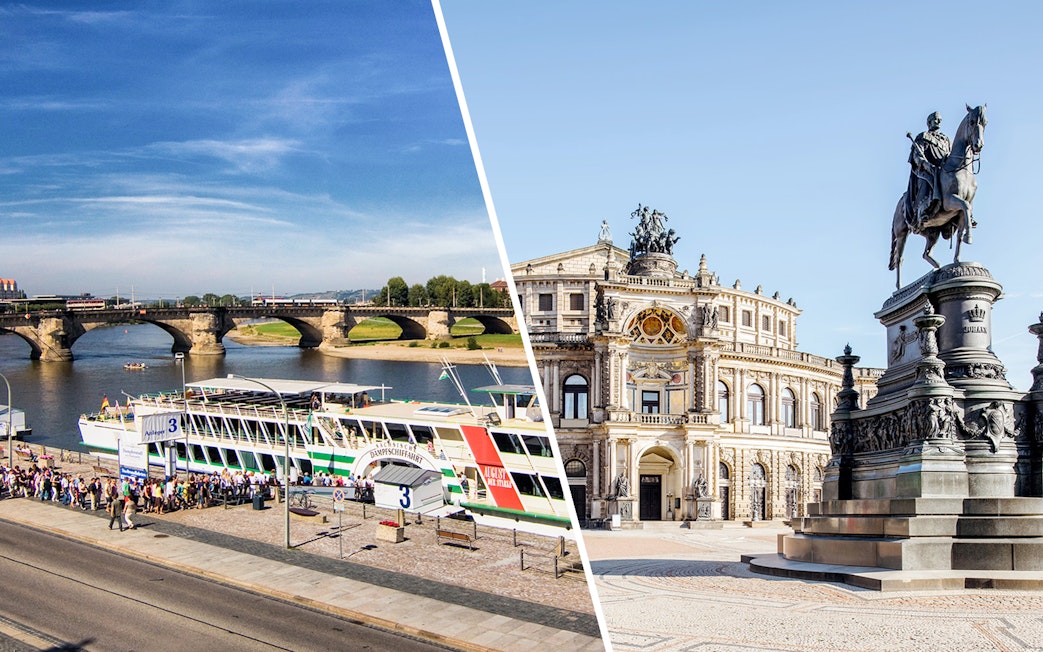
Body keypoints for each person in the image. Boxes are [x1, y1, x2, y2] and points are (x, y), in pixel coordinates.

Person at [906, 111, 952, 232]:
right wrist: (926, 164)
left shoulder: (946, 140)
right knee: (930, 179)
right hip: (927, 170)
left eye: (940, 119)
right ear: (929, 122)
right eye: (935, 119)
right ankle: (924, 210)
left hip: (943, 170)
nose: (938, 122)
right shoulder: (923, 136)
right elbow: (917, 156)